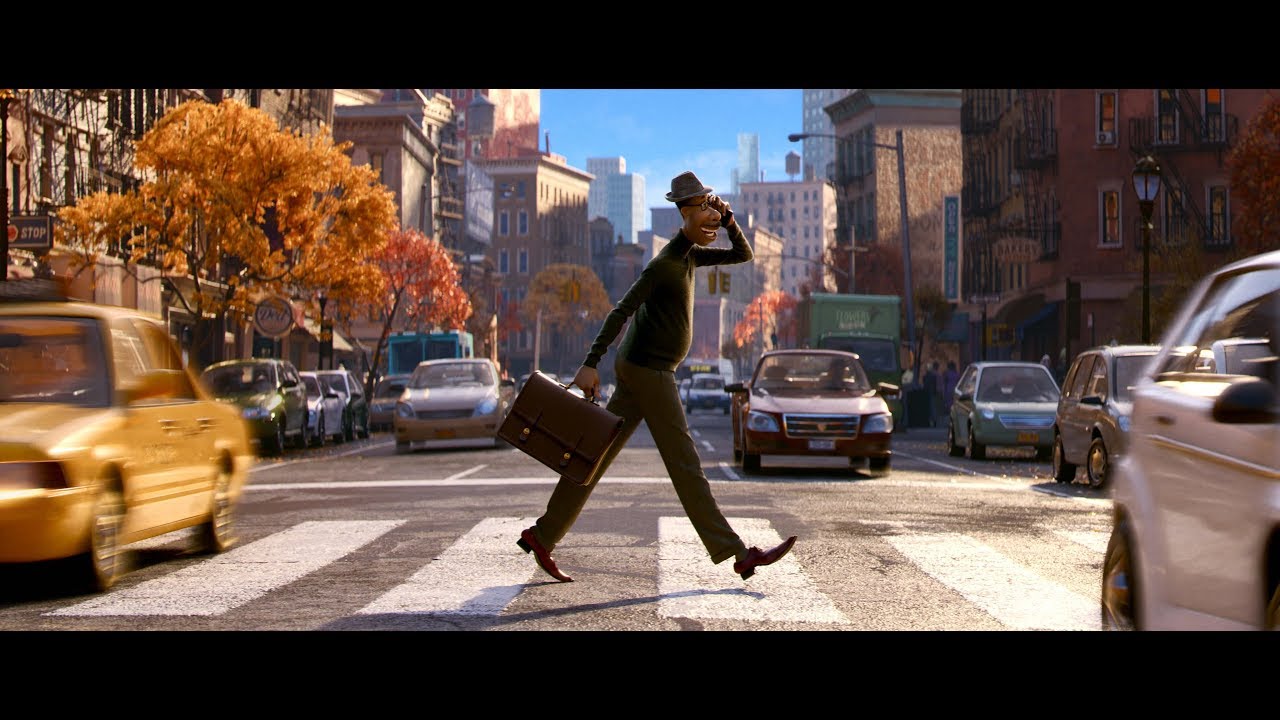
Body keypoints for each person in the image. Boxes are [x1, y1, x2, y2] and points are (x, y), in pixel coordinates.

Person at [515, 170, 797, 583]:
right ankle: (738, 554)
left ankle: (542, 535)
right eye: (702, 207)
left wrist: (730, 219)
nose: (710, 215)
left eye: (711, 205)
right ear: (684, 214)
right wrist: (591, 361)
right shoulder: (664, 264)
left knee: (594, 457)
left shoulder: (690, 257)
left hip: (641, 367)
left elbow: (744, 255)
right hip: (649, 370)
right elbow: (621, 310)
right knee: (686, 464)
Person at [922, 361, 940, 427]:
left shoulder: (926, 377)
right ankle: (933, 420)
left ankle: (931, 420)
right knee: (932, 407)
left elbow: (925, 385)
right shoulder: (932, 376)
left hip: (928, 393)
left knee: (930, 407)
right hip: (930, 393)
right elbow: (934, 385)